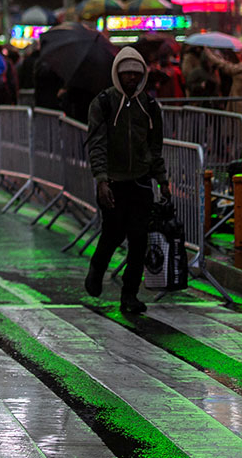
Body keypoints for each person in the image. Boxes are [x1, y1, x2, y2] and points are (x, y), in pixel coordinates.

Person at [84, 47, 169, 315]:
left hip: (141, 182)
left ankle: (129, 295)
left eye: (136, 73)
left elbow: (155, 147)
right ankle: (96, 270)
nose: (131, 78)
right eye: (126, 73)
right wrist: (101, 179)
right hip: (113, 182)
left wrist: (162, 180)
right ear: (117, 75)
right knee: (111, 235)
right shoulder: (103, 103)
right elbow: (96, 144)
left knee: (138, 240)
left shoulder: (150, 106)